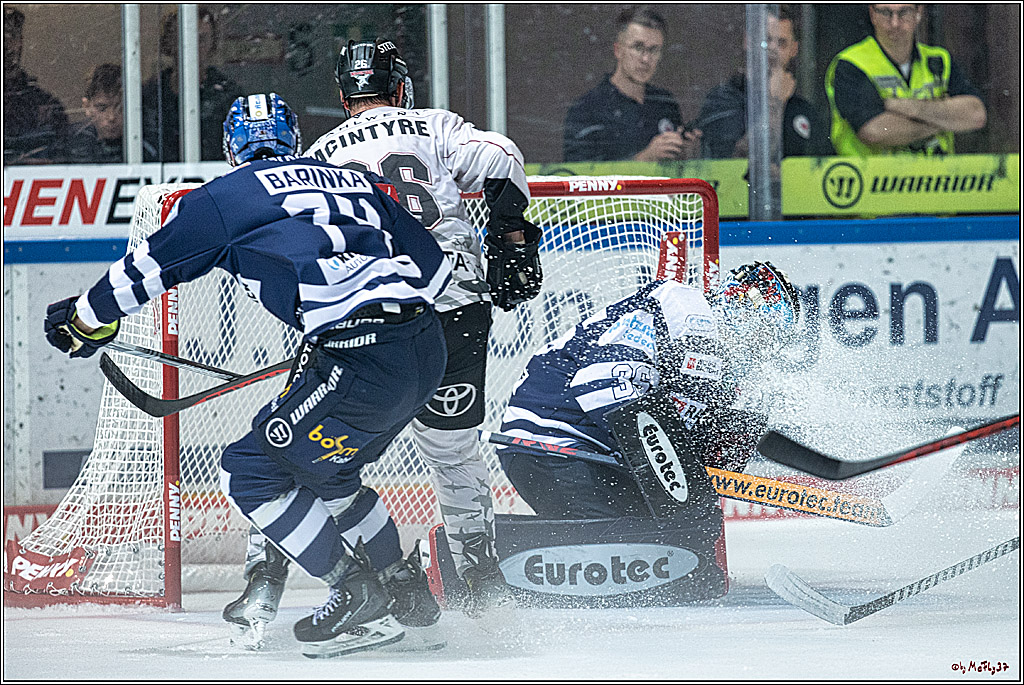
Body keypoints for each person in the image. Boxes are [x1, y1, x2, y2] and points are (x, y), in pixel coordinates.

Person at [43, 92, 454, 659]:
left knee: (253, 472)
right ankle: (409, 598)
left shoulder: (227, 196)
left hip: (357, 356)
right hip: (424, 349)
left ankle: (355, 592)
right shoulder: (354, 181)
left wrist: (83, 321)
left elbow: (148, 268)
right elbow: (434, 271)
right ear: (295, 141)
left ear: (231, 148)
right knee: (332, 474)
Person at [260, 37, 541, 623]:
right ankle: (478, 573)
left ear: (344, 96)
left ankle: (359, 577)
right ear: (401, 88)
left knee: (317, 451)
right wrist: (511, 241)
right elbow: (504, 155)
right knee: (453, 449)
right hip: (454, 311)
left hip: (376, 323)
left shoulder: (319, 155)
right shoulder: (435, 127)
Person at [492, 263, 800, 602]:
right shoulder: (686, 308)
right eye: (767, 325)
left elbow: (662, 427)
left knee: (681, 541)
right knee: (647, 550)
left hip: (581, 455)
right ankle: (482, 558)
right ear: (742, 304)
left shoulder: (712, 355)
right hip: (552, 448)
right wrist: (679, 465)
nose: (764, 342)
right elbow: (600, 388)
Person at [826, 3, 987, 156]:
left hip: (939, 180)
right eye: (885, 13)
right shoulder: (852, 64)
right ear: (872, 14)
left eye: (904, 12)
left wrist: (908, 107)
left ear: (919, 13)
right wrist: (945, 119)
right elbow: (874, 131)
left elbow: (976, 115)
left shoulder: (939, 59)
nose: (895, 23)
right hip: (874, 181)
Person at [563, 6, 701, 162]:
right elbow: (578, 178)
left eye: (654, 50)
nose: (646, 59)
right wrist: (644, 159)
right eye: (638, 47)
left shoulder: (664, 103)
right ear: (618, 50)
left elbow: (674, 174)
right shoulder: (587, 109)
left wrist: (686, 154)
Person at [697, 7, 832, 159]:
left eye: (781, 43)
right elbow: (736, 159)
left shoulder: (803, 110)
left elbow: (820, 168)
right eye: (765, 40)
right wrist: (775, 102)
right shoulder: (724, 100)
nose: (773, 48)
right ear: (748, 41)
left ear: (793, 49)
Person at [141, 8, 242, 161]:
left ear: (212, 44)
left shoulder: (228, 96)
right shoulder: (151, 94)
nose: (194, 46)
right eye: (185, 38)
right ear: (170, 41)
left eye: (201, 39)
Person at [4, 6, 69, 164]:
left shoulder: (45, 106)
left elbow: (62, 161)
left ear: (20, 41)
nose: (6, 45)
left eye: (11, 36)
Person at [65, 64, 126, 163]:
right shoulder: (69, 145)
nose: (111, 117)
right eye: (102, 108)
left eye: (120, 108)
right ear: (87, 106)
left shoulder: (146, 146)